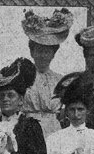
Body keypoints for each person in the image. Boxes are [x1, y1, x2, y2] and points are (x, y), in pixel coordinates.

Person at [19, 8, 73, 136]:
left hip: (53, 130)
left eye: (47, 51)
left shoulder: (60, 80)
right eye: (39, 50)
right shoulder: (22, 78)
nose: (43, 55)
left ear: (53, 54)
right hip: (27, 130)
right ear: (32, 52)